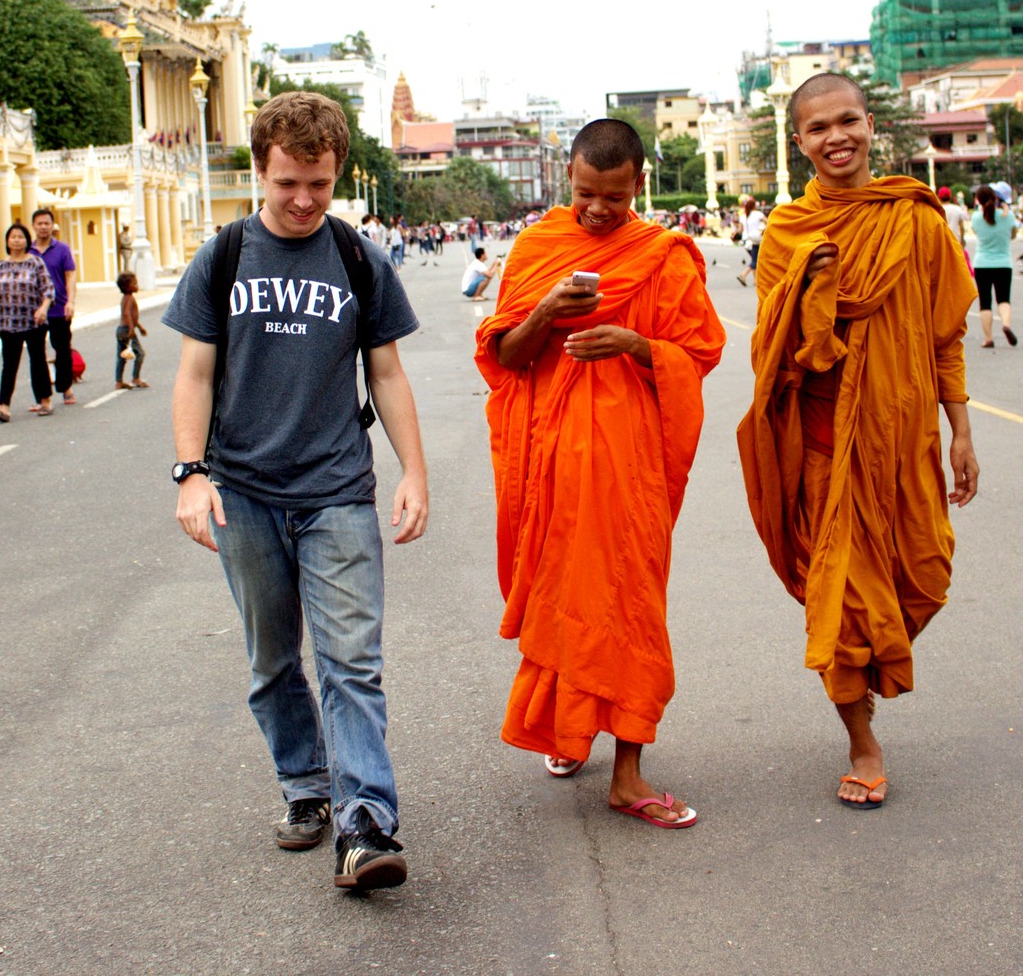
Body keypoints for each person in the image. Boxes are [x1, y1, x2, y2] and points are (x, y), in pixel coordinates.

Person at [164, 90, 428, 893]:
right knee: (273, 659)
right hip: (242, 491)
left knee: (352, 660)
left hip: (337, 489)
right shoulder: (224, 256)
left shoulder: (356, 257)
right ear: (260, 171)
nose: (305, 199)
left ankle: (366, 821)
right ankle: (307, 786)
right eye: (288, 183)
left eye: (319, 181)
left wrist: (414, 470)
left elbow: (384, 370)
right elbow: (195, 372)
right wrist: (191, 472)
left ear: (337, 169)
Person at [736, 73, 978, 812]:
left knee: (925, 572)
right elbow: (776, 350)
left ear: (870, 124)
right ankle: (861, 740)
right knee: (837, 601)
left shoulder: (918, 221)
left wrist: (961, 428)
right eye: (818, 128)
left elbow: (944, 335)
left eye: (847, 121)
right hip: (821, 442)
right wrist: (809, 291)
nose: (835, 137)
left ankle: (873, 673)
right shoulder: (787, 234)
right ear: (799, 142)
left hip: (903, 438)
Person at [478, 119, 724, 828]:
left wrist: (637, 344)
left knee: (630, 608)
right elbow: (507, 358)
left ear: (637, 187)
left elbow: (699, 351)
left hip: (630, 471)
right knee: (566, 602)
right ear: (570, 178)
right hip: (554, 471)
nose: (596, 210)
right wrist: (547, 309)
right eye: (586, 193)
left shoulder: (662, 256)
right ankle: (570, 729)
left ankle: (629, 773)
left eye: (612, 199)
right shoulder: (538, 249)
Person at [0, 221, 53, 422]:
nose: (16, 240)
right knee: (9, 364)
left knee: (37, 360)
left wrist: (43, 308)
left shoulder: (35, 263)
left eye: (20, 237)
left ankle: (45, 400)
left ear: (27, 241)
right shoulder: (1, 266)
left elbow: (48, 290)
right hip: (8, 322)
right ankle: (4, 406)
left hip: (33, 321)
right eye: (13, 237)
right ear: (7, 241)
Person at [29, 209, 79, 406]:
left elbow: (70, 275)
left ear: (52, 225)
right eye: (39, 223)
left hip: (59, 308)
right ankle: (43, 396)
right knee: (37, 354)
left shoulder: (62, 249)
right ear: (33, 226)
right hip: (34, 311)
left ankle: (66, 387)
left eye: (46, 223)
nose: (43, 227)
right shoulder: (28, 251)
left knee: (62, 349)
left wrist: (71, 301)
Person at [972, 186, 1017, 348]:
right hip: (1004, 263)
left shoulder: (976, 218)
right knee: (1004, 299)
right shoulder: (1008, 216)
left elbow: (977, 232)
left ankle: (988, 338)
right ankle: (1006, 324)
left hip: (982, 264)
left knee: (985, 302)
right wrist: (1005, 213)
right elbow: (1013, 235)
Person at [115, 271, 148, 390]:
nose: (137, 286)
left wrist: (139, 327)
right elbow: (127, 313)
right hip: (126, 330)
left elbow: (131, 317)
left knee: (121, 356)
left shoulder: (126, 298)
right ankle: (136, 378)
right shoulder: (129, 298)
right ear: (127, 287)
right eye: (134, 283)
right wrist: (131, 329)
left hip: (121, 330)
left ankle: (118, 381)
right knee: (140, 353)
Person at [734, 195, 765, 287]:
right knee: (756, 260)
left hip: (746, 240)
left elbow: (740, 230)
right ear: (754, 206)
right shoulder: (758, 214)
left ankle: (756, 280)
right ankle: (743, 275)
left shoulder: (743, 216)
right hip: (756, 239)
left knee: (755, 259)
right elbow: (769, 222)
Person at [939, 186, 969, 250]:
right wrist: (962, 240)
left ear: (939, 197)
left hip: (942, 242)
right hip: (956, 240)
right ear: (950, 197)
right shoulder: (957, 209)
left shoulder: (937, 210)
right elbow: (962, 227)